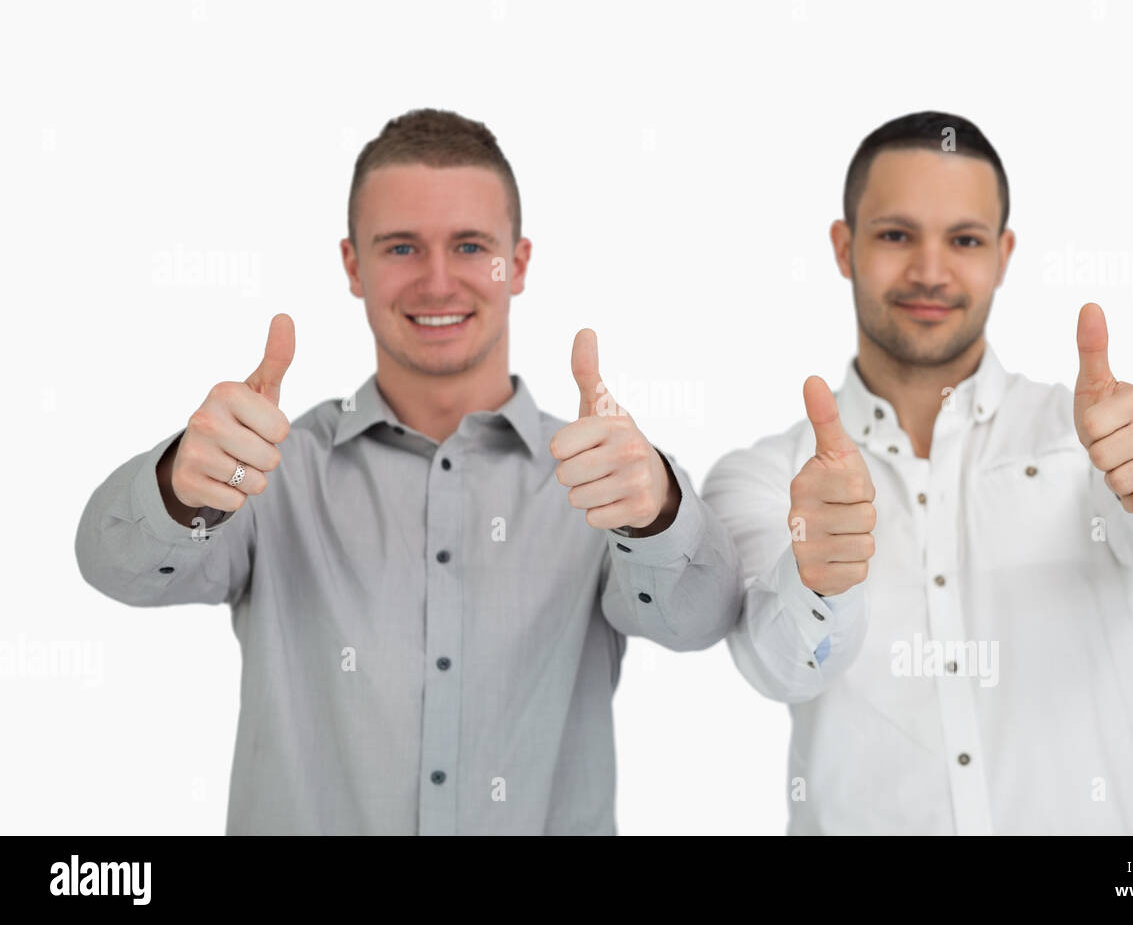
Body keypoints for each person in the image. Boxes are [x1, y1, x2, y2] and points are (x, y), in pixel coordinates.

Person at [75, 108, 743, 835]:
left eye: (470, 246)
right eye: (400, 247)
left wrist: (657, 512)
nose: (436, 281)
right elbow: (116, 568)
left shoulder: (600, 479)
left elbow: (701, 621)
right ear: (352, 265)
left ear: (517, 264)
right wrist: (179, 487)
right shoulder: (271, 470)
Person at [701, 111, 1133, 835]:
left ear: (1003, 254)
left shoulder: (1095, 433)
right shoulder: (767, 476)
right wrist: (819, 579)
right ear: (844, 247)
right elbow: (775, 666)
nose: (930, 272)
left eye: (964, 240)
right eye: (896, 234)